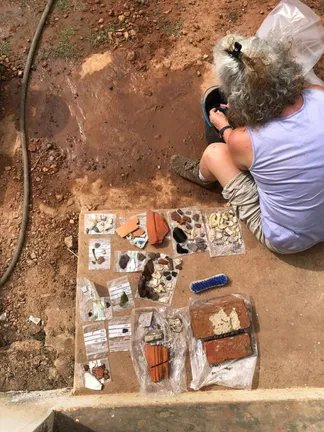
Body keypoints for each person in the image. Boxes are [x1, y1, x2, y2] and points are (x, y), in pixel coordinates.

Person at [171, 35, 324, 254]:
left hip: (291, 239)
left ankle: (204, 176)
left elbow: (240, 151)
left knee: (215, 153)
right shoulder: (319, 95)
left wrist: (223, 127)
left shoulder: (244, 140)